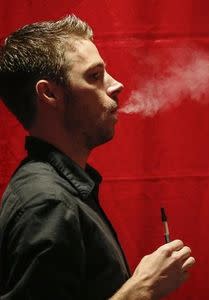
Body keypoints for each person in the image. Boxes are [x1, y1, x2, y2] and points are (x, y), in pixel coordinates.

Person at [0, 15, 195, 299]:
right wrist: (141, 289)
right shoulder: (48, 205)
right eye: (94, 76)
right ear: (49, 93)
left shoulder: (60, 190)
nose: (116, 86)